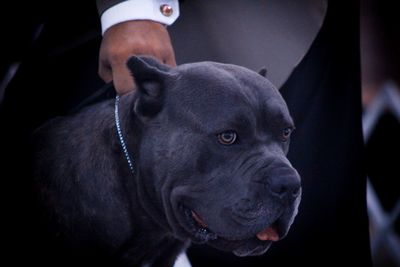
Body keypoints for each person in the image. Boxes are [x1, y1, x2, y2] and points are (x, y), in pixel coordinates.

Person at [0, 0, 372, 266]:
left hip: (297, 34)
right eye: (229, 137)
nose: (291, 178)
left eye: (282, 136)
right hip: (157, 29)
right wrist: (134, 8)